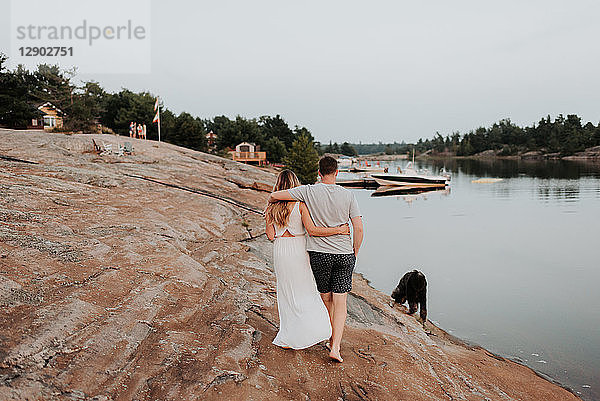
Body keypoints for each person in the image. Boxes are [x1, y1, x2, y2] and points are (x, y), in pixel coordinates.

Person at [269, 156, 364, 362]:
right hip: (344, 254)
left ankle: (326, 334)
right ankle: (335, 346)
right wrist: (355, 251)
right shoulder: (348, 195)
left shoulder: (307, 191)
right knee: (341, 301)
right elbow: (358, 227)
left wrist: (271, 203)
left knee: (325, 298)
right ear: (337, 172)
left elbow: (276, 195)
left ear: (319, 173)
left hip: (320, 255)